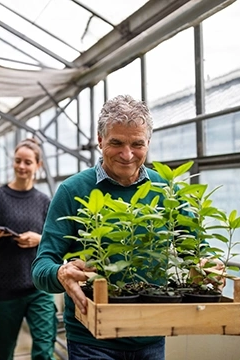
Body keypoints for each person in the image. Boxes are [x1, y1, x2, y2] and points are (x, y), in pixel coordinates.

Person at [31, 94, 168, 360]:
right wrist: (60, 272)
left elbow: (196, 251)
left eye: (137, 144)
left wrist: (207, 265)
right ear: (100, 140)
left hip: (151, 334)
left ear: (148, 143)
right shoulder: (72, 191)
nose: (127, 154)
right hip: (92, 339)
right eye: (116, 142)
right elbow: (41, 267)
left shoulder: (165, 190)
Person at [0, 138, 57, 360]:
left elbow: (55, 240)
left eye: (28, 162)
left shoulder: (44, 201)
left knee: (44, 349)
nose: (22, 166)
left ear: (37, 166)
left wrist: (39, 239)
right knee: (3, 352)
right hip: (4, 288)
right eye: (18, 161)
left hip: (39, 288)